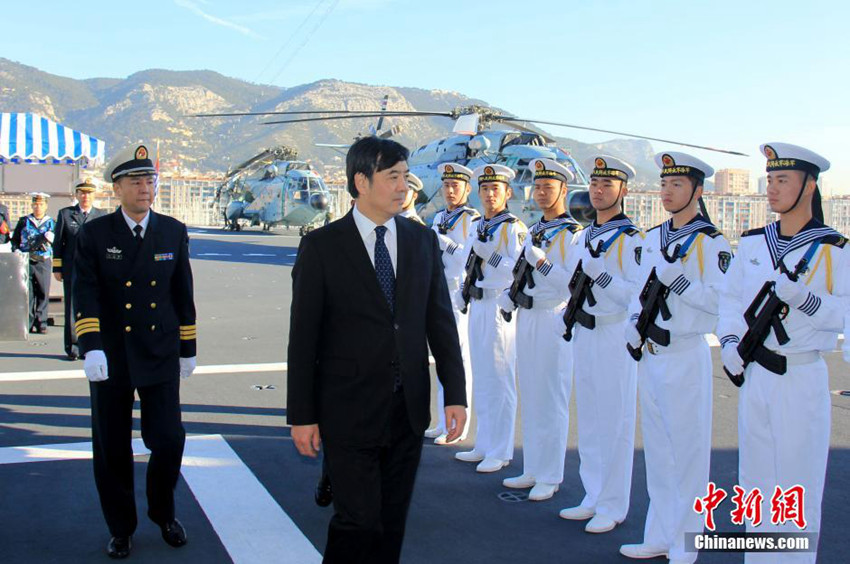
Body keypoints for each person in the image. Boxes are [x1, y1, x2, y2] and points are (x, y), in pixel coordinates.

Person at [286, 136, 466, 564]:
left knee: (391, 519)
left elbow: (439, 322)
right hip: (347, 410)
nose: (404, 186)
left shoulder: (422, 242)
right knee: (358, 520)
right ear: (361, 182)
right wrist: (302, 416)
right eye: (393, 177)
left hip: (407, 409)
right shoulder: (323, 247)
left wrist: (455, 393)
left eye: (406, 176)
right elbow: (303, 338)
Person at [718, 143, 849, 564]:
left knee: (796, 486)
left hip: (800, 376)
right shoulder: (755, 243)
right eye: (770, 179)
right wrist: (730, 343)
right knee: (755, 481)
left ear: (809, 185)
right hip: (756, 373)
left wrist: (807, 299)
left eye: (783, 181)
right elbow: (730, 301)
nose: (772, 189)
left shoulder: (834, 249)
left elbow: (844, 313)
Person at [74, 143, 197, 559]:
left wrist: (187, 348)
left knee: (168, 439)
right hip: (111, 354)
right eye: (136, 181)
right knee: (111, 446)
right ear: (117, 188)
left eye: (150, 180)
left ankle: (163, 512)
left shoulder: (173, 231)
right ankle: (121, 527)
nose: (145, 188)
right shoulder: (95, 234)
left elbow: (183, 293)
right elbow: (84, 292)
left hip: (159, 350)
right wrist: (90, 345)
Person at [621, 152, 731, 564]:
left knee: (687, 454)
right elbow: (638, 288)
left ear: (698, 191)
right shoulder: (653, 237)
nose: (667, 192)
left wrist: (681, 282)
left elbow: (721, 303)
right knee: (660, 453)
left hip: (685, 354)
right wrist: (633, 321)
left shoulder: (711, 242)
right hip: (651, 353)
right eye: (664, 185)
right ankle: (659, 534)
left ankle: (687, 541)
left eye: (677, 185)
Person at [559, 156, 642, 532]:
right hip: (585, 330)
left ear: (623, 191)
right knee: (590, 419)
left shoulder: (632, 239)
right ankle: (592, 495)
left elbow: (633, 296)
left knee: (615, 420)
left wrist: (603, 277)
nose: (597, 190)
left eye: (607, 185)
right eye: (593, 183)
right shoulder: (583, 235)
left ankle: (612, 504)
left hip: (612, 332)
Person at [498, 158, 582, 501]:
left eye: (549, 187)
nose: (541, 192)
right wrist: (509, 295)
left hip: (552, 318)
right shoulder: (535, 230)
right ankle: (532, 466)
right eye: (538, 186)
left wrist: (544, 264)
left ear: (564, 189)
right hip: (528, 317)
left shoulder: (572, 235)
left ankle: (550, 473)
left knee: (551, 398)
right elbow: (521, 273)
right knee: (531, 393)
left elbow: (571, 287)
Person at [452, 164, 527, 473]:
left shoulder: (512, 226)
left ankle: (501, 448)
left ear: (507, 193)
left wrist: (490, 255)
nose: (489, 194)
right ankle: (483, 443)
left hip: (499, 304)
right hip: (478, 303)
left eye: (495, 189)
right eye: (484, 189)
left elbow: (519, 268)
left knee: (500, 378)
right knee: (483, 375)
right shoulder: (480, 225)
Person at [425, 162, 479, 445]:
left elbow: (467, 259)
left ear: (467, 189)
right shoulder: (439, 218)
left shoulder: (471, 219)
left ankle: (459, 427)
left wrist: (443, 241)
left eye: (455, 185)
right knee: (441, 357)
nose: (449, 190)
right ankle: (441, 421)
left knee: (459, 360)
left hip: (458, 294)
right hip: (439, 291)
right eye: (446, 185)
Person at [53, 178, 108, 359]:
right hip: (72, 269)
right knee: (71, 308)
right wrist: (57, 268)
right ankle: (73, 346)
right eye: (82, 193)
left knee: (94, 307)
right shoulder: (65, 214)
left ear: (94, 195)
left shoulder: (101, 216)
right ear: (77, 195)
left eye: (89, 193)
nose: (85, 196)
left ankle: (90, 345)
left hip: (95, 270)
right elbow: (58, 243)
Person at [12, 192, 56, 333]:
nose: (38, 207)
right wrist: (16, 250)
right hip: (27, 260)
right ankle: (29, 321)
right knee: (28, 293)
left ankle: (42, 321)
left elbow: (59, 242)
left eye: (41, 204)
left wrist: (52, 239)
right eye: (35, 204)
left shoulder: (51, 222)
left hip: (43, 261)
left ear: (46, 206)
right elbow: (15, 240)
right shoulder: (24, 221)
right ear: (32, 205)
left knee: (43, 292)